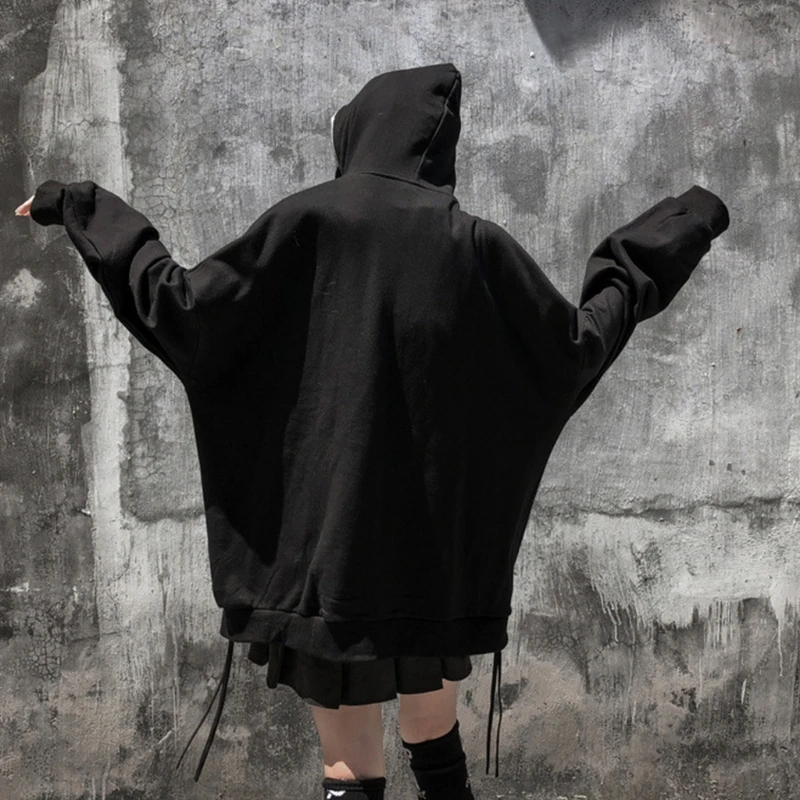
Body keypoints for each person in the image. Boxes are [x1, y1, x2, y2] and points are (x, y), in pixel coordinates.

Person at [15, 62, 729, 800]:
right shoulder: (477, 247)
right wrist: (683, 224)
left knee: (351, 768)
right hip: (438, 569)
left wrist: (82, 207)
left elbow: (182, 311)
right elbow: (575, 348)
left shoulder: (307, 222)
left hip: (328, 566)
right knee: (435, 743)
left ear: (359, 132)